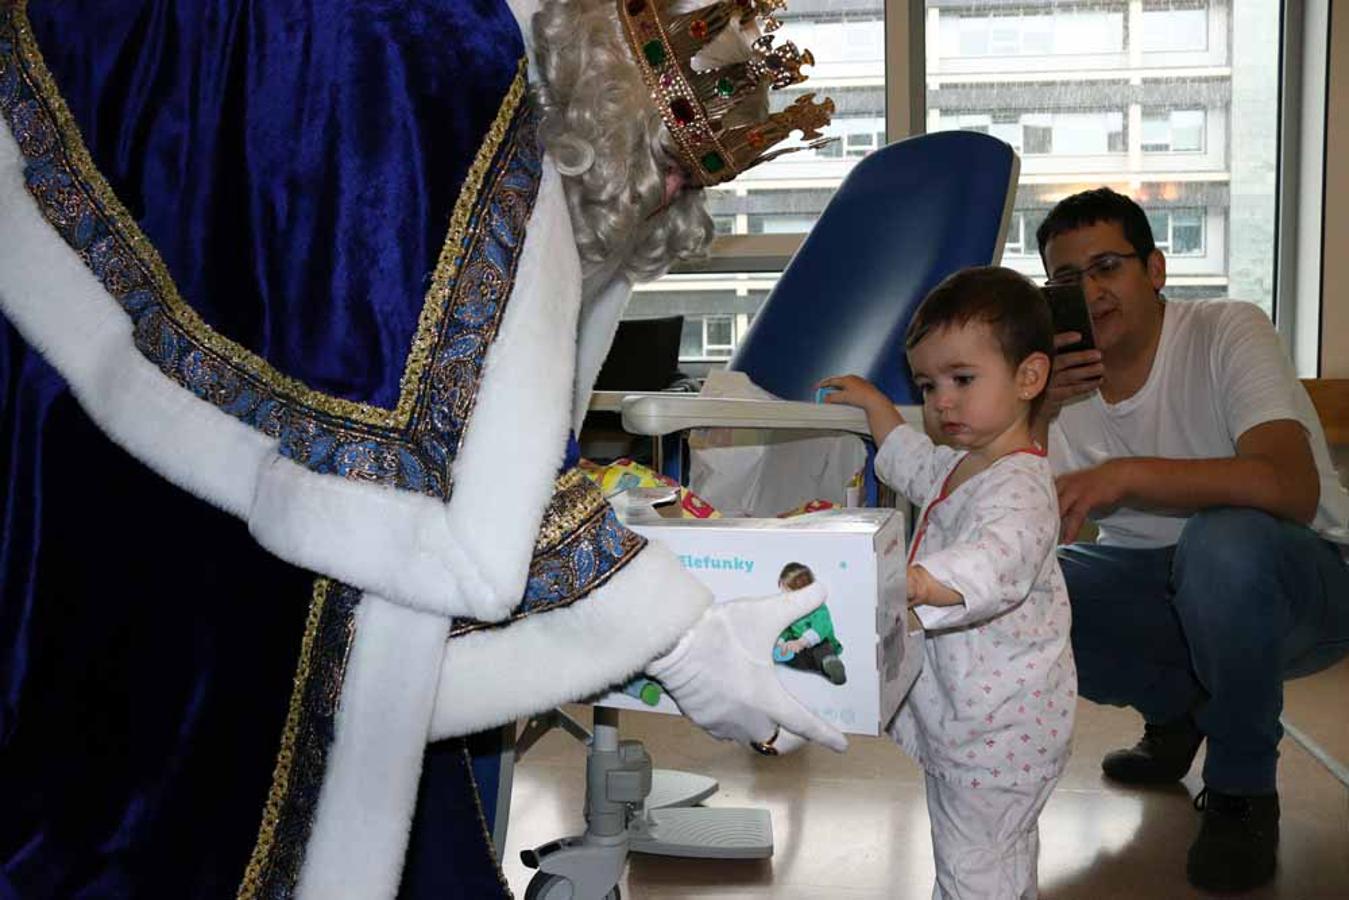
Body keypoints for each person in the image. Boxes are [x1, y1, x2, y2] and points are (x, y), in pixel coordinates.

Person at [0, 0, 843, 896]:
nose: (668, 197)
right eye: (668, 166)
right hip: (136, 511)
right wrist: (676, 637)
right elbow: (407, 409)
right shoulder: (427, 47)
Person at [1034, 186, 1349, 893]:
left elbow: (1289, 489)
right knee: (1032, 582)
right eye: (1064, 278)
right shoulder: (1058, 384)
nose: (1088, 291)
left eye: (1107, 266)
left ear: (1154, 270)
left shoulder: (1226, 329)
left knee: (1222, 539)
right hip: (1161, 590)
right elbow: (1013, 522)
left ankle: (1241, 794)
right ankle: (1174, 711)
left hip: (1305, 585)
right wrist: (1035, 413)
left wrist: (1125, 474)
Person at [821, 266, 1076, 899]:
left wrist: (918, 582)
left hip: (1000, 732)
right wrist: (878, 406)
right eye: (928, 385)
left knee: (971, 866)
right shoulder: (966, 463)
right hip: (976, 721)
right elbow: (910, 460)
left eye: (962, 379)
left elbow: (997, 560)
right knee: (994, 854)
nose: (942, 401)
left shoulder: (1018, 486)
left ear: (1029, 377)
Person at [773, 562, 847, 685]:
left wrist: (802, 641)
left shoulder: (818, 608)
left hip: (819, 644)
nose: (786, 599)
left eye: (790, 595)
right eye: (784, 594)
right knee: (789, 655)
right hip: (801, 649)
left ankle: (830, 665)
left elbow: (822, 627)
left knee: (822, 650)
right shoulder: (790, 610)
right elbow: (787, 629)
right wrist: (781, 642)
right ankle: (811, 665)